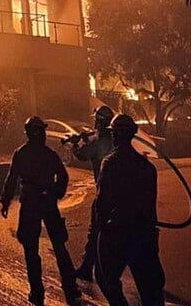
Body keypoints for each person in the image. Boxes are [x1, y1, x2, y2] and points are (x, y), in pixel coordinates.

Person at [0, 116, 81, 306]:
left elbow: (12, 179)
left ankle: (37, 292)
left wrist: (5, 202)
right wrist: (55, 193)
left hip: (30, 204)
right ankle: (69, 286)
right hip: (46, 203)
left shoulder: (21, 153)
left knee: (32, 250)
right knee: (59, 246)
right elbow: (63, 176)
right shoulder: (48, 154)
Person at [94, 113, 166, 306]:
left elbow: (102, 202)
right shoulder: (147, 167)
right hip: (142, 233)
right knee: (150, 288)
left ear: (114, 135)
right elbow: (150, 206)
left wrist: (102, 229)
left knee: (105, 277)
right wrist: (151, 237)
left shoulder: (109, 164)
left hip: (117, 233)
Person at [72, 104, 115, 282]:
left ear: (98, 121)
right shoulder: (115, 138)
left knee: (96, 231)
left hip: (104, 193)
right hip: (121, 194)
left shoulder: (98, 141)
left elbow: (82, 155)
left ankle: (87, 268)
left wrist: (76, 144)